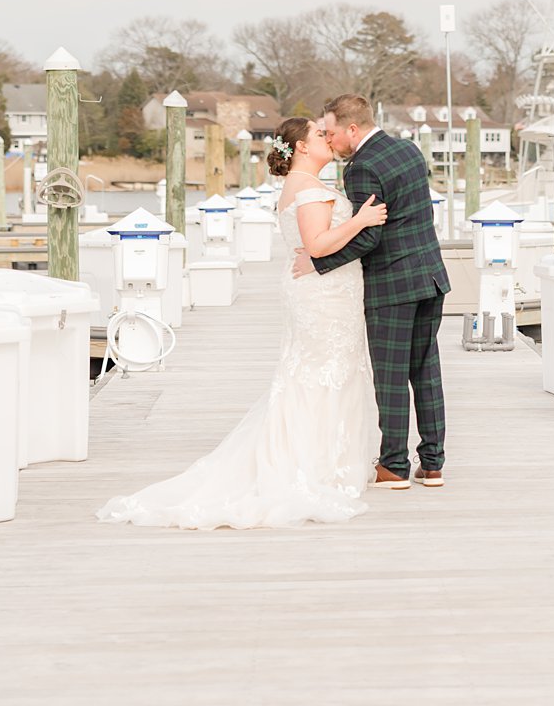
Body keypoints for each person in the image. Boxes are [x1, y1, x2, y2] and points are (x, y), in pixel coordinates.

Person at [97, 117, 388, 529]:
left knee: (325, 374)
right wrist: (359, 220)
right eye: (320, 135)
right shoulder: (307, 188)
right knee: (322, 374)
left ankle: (330, 461)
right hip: (323, 296)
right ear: (302, 148)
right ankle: (315, 466)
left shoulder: (300, 186)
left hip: (326, 292)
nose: (328, 138)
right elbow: (319, 245)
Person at [292, 93, 450, 490]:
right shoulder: (409, 150)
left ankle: (395, 465)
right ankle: (432, 464)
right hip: (431, 277)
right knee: (426, 372)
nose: (329, 141)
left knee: (391, 377)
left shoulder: (361, 168)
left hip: (392, 286)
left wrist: (319, 262)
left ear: (352, 128)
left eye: (331, 133)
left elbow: (369, 238)